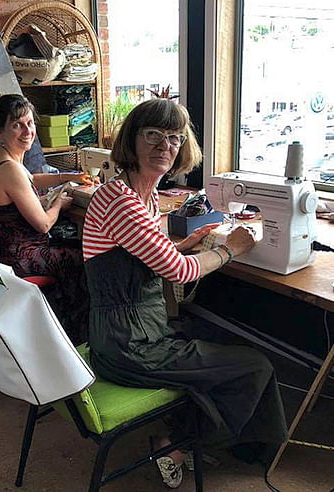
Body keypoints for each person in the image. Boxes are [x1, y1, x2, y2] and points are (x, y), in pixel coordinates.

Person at [82, 98, 287, 488]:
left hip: (130, 331)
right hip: (130, 346)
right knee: (255, 365)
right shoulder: (121, 201)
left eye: (174, 138)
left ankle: (205, 435)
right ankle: (174, 446)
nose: (165, 146)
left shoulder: (140, 196)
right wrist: (231, 250)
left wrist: (185, 242)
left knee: (217, 340)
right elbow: (177, 273)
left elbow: (142, 259)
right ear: (132, 140)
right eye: (153, 135)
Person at [0, 94, 93, 344]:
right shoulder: (9, 168)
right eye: (17, 125)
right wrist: (59, 204)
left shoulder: (2, 158)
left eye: (30, 123)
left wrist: (68, 177)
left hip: (11, 251)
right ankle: (74, 338)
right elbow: (43, 224)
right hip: (23, 258)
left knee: (77, 247)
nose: (27, 131)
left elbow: (31, 179)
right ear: (0, 131)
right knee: (87, 257)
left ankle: (59, 329)